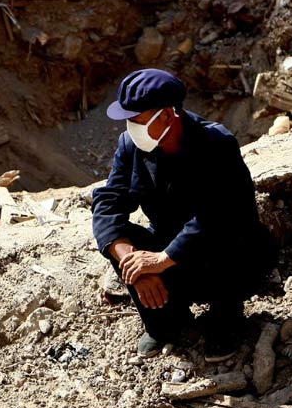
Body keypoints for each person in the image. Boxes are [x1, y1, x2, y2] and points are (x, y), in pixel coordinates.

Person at [92, 68, 276, 360]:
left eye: (137, 120)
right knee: (121, 239)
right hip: (169, 247)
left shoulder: (216, 144)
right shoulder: (131, 146)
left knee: (232, 244)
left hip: (224, 251)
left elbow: (219, 217)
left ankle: (226, 319)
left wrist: (162, 260)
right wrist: (134, 265)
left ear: (167, 115)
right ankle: (165, 323)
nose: (131, 128)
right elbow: (108, 204)